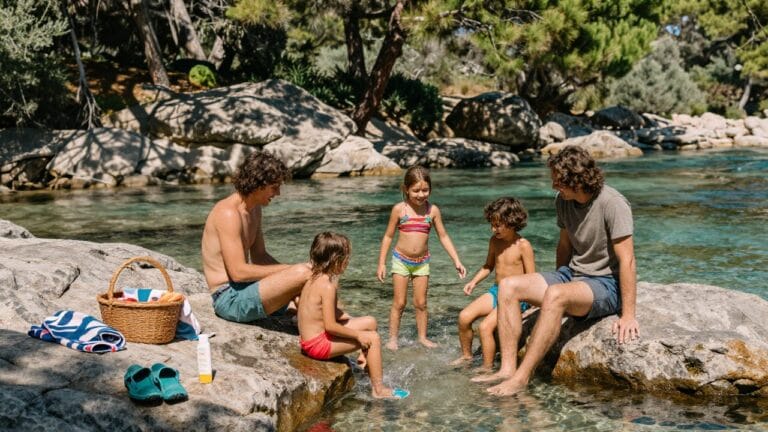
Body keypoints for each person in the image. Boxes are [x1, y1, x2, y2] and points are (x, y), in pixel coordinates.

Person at [479, 145, 639, 396]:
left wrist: (628, 315)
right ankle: (507, 369)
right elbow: (564, 245)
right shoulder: (563, 201)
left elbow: (627, 260)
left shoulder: (613, 203)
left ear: (576, 180)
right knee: (510, 286)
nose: (553, 185)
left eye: (558, 181)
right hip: (573, 274)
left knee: (556, 295)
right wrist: (558, 280)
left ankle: (521, 378)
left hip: (605, 283)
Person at [202, 151, 311, 323]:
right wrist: (294, 270)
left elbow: (260, 256)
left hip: (246, 289)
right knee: (303, 273)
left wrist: (295, 275)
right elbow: (237, 272)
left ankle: (331, 328)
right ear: (258, 184)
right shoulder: (228, 213)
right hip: (228, 298)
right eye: (274, 187)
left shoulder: (254, 209)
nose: (278, 193)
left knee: (317, 279)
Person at [298, 232, 408, 399]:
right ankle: (378, 390)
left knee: (370, 321)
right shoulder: (328, 287)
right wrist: (359, 335)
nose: (348, 262)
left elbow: (321, 312)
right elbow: (330, 326)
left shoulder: (313, 278)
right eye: (346, 258)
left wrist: (349, 318)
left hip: (310, 338)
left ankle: (364, 362)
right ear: (337, 260)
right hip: (317, 345)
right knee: (373, 338)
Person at [377, 166, 467, 350]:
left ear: (430, 190)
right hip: (401, 260)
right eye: (415, 190)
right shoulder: (399, 210)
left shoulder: (432, 211)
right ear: (406, 189)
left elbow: (443, 236)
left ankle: (422, 337)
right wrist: (381, 263)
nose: (420, 194)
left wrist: (456, 260)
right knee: (399, 302)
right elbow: (388, 236)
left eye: (425, 190)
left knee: (421, 303)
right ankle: (393, 338)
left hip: (422, 263)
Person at [451, 197, 536, 370]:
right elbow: (489, 266)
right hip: (497, 291)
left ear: (512, 222)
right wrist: (473, 282)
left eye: (497, 225)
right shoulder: (494, 241)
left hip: (515, 297)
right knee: (464, 317)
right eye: (491, 224)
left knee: (484, 327)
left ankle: (487, 368)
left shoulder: (523, 246)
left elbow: (532, 279)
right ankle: (466, 356)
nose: (493, 229)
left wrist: (532, 306)